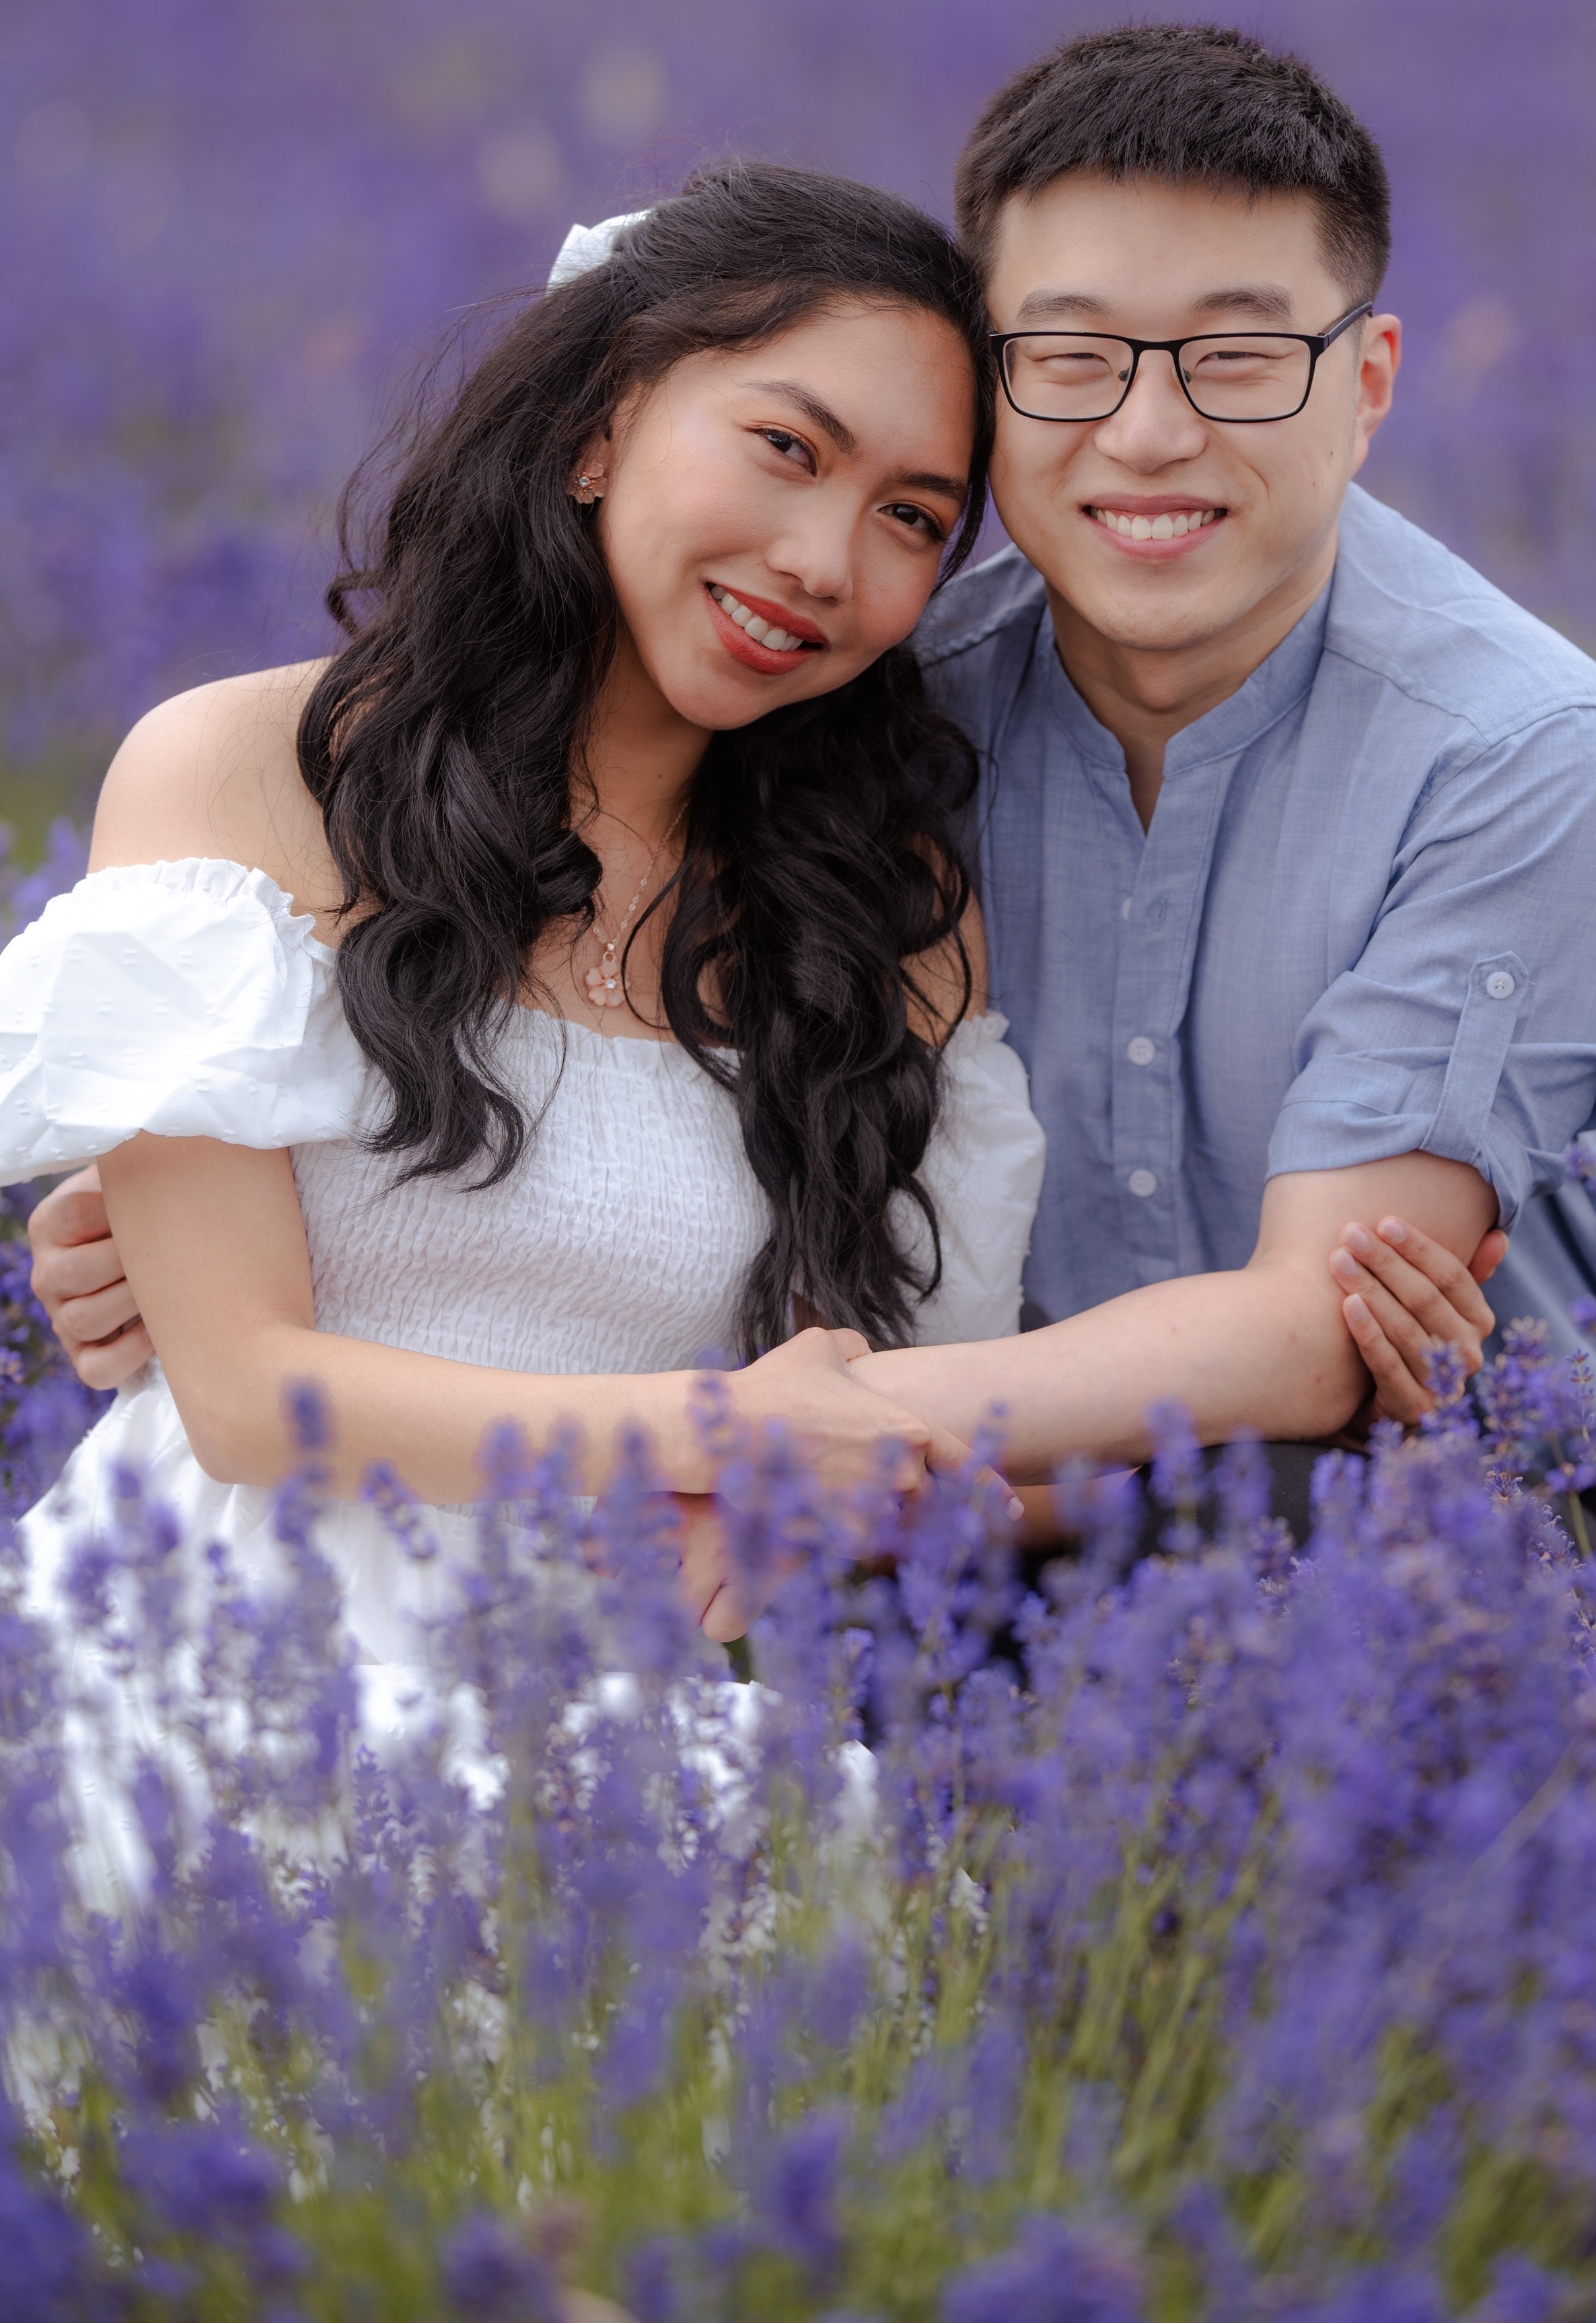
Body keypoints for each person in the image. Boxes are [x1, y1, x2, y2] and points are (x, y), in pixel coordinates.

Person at [10, 143, 1488, 1672]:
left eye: (913, 518)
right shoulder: (249, 772)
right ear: (601, 422)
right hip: (209, 1643)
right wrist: (730, 1431)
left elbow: (912, 1424)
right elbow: (247, 1403)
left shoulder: (883, 907)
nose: (820, 563)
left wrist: (1318, 1387)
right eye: (787, 447)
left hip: (626, 1697)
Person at [838, 22, 1596, 1511]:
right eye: (1070, 357)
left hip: (1469, 1559)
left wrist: (761, 1445)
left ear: (1366, 383)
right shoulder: (888, 713)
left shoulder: (1515, 752)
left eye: (1235, 357)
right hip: (967, 1525)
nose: (1146, 432)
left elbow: (1313, 1347)